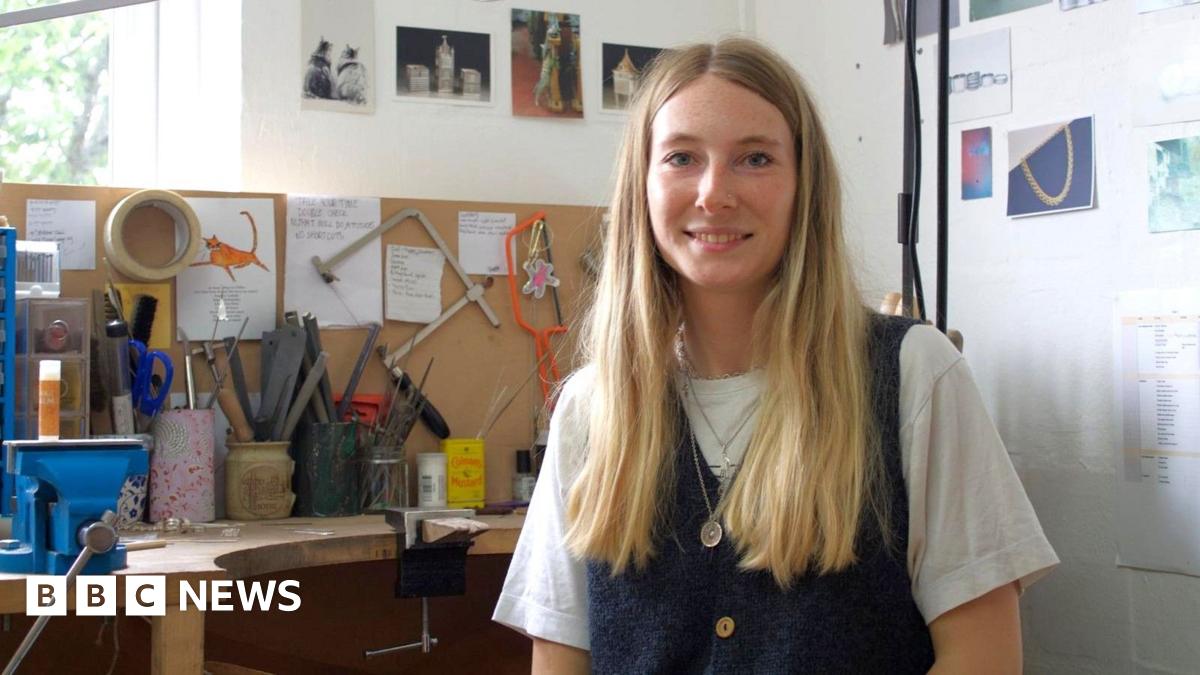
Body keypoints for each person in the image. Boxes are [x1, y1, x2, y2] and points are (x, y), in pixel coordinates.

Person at [493, 37, 1058, 674]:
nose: (714, 193)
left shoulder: (913, 377)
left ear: (803, 186)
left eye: (755, 158)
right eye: (682, 157)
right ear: (642, 186)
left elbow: (982, 658)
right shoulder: (591, 409)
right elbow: (561, 662)